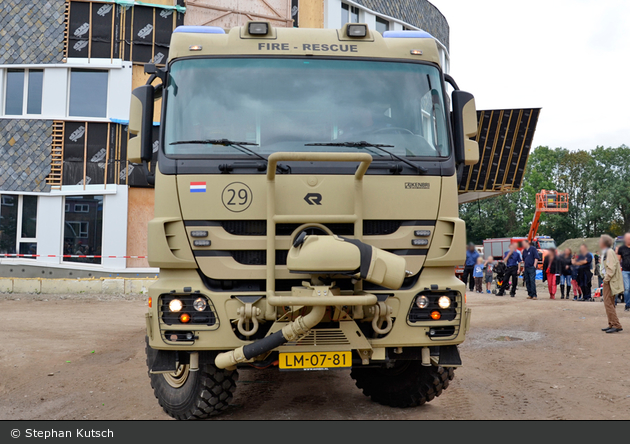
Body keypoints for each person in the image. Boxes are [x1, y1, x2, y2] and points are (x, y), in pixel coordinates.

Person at [599, 235, 623, 333]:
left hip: (609, 281)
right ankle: (611, 323)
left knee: (608, 303)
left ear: (604, 243)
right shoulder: (607, 252)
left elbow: (611, 268)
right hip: (609, 280)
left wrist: (606, 279)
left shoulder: (609, 252)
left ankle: (616, 324)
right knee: (610, 303)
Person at [617, 233, 630, 312]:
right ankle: (627, 305)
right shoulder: (621, 248)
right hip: (625, 271)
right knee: (627, 288)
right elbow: (618, 260)